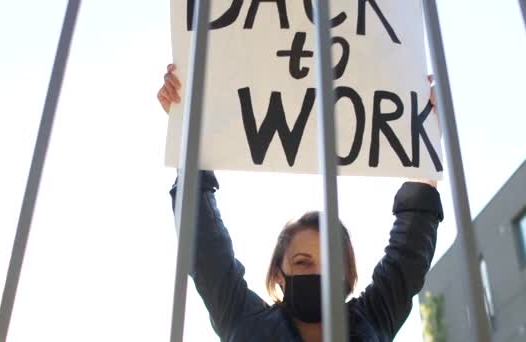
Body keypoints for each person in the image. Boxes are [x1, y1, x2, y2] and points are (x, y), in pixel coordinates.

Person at [158, 64, 443, 342]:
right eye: (302, 262)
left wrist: (424, 135)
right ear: (278, 273)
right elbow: (207, 248)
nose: (318, 273)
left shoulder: (374, 318)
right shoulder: (241, 319)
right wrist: (185, 123)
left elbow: (409, 253)